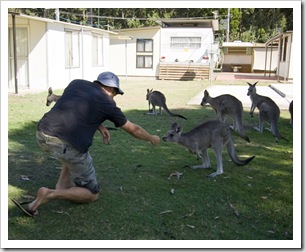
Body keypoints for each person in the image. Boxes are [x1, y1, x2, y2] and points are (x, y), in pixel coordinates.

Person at [12, 71, 160, 217]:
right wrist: (151, 138)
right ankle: (49, 194)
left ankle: (62, 185)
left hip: (42, 133)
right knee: (91, 194)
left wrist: (99, 125)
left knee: (76, 151)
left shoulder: (77, 83)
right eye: (115, 94)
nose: (114, 97)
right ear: (111, 89)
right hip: (64, 143)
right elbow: (133, 129)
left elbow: (78, 104)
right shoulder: (108, 103)